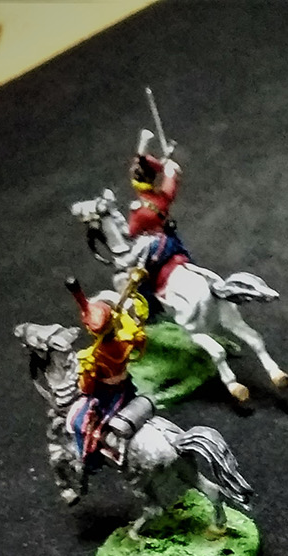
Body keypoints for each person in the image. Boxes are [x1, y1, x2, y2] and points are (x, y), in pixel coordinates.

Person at [65, 274, 147, 465]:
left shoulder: (93, 358)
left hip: (107, 396)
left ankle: (89, 462)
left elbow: (87, 388)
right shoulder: (127, 338)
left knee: (77, 422)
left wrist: (84, 374)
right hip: (126, 387)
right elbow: (136, 333)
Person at [125, 138, 191, 291]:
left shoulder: (139, 210)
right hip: (171, 241)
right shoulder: (163, 199)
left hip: (155, 248)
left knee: (139, 283)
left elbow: (131, 233)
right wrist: (170, 171)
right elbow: (169, 179)